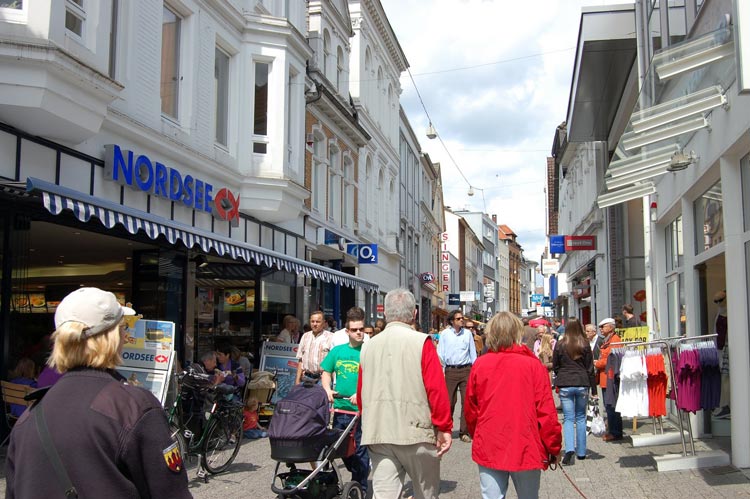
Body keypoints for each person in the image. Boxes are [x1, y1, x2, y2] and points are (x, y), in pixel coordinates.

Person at [5, 287, 191, 498]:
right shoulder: (133, 408)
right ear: (112, 337)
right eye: (123, 327)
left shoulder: (29, 418)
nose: (125, 333)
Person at [357, 288, 452, 499]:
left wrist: (368, 419)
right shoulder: (422, 342)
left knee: (384, 494)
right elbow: (436, 389)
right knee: (425, 493)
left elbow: (362, 391)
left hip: (379, 431)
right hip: (416, 432)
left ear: (385, 314)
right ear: (414, 314)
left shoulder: (368, 347)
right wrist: (443, 426)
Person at [464, 312, 562, 499]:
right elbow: (547, 413)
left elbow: (471, 409)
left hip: (490, 441)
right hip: (525, 443)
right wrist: (553, 446)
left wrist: (477, 433)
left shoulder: (480, 364)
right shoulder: (533, 366)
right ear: (518, 333)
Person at [321, 308, 370, 494]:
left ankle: (361, 489)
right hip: (341, 409)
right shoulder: (337, 351)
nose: (359, 333)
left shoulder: (368, 351)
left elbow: (375, 377)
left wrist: (360, 393)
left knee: (360, 451)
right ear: (347, 332)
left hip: (361, 411)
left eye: (361, 329)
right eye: (355, 330)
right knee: (342, 449)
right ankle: (359, 472)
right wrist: (327, 389)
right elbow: (326, 371)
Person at [552, 319, 596, 465]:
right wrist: (594, 389)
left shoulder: (560, 344)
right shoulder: (584, 344)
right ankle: (582, 452)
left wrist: (561, 376)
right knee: (581, 417)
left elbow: (556, 365)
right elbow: (590, 368)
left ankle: (569, 449)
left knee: (568, 418)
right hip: (582, 382)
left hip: (565, 383)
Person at [438, 309, 478, 443]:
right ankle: (445, 431)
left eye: (462, 318)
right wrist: (442, 372)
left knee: (467, 402)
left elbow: (473, 353)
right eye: (458, 319)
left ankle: (464, 432)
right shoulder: (444, 334)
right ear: (452, 321)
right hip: (450, 370)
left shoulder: (467, 334)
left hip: (466, 369)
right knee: (449, 402)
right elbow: (440, 354)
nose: (462, 320)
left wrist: (475, 371)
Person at [594, 317, 624, 442]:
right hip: (605, 378)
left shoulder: (615, 340)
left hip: (610, 377)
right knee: (609, 406)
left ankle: (615, 432)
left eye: (603, 326)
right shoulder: (609, 340)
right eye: (600, 327)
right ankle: (613, 430)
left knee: (611, 406)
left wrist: (597, 363)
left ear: (611, 327)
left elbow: (612, 360)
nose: (601, 329)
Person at [295, 310, 334, 384]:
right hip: (306, 378)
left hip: (323, 379)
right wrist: (297, 381)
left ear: (323, 323)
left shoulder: (331, 337)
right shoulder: (305, 336)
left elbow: (333, 362)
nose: (315, 324)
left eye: (318, 322)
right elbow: (300, 360)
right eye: (312, 321)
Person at [713, 290, 730, 418]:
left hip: (728, 349)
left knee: (726, 378)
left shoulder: (731, 311)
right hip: (720, 348)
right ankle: (725, 405)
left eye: (720, 300)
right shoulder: (719, 313)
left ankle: (727, 405)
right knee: (723, 378)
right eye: (716, 301)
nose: (718, 303)